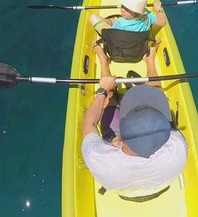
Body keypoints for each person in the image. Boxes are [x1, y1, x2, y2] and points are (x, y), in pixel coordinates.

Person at [80, 51, 188, 194]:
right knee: (155, 99)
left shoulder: (99, 158)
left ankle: (105, 67)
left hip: (123, 188)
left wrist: (103, 90)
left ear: (120, 137)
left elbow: (89, 124)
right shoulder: (178, 147)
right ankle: (150, 61)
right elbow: (164, 119)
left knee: (109, 102)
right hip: (158, 187)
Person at [88, 0, 167, 34]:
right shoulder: (148, 16)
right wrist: (158, 10)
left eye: (127, 9)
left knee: (93, 17)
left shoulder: (120, 23)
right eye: (123, 6)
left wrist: (112, 21)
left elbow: (113, 30)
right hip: (138, 48)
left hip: (119, 46)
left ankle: (102, 57)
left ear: (136, 12)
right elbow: (162, 22)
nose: (122, 10)